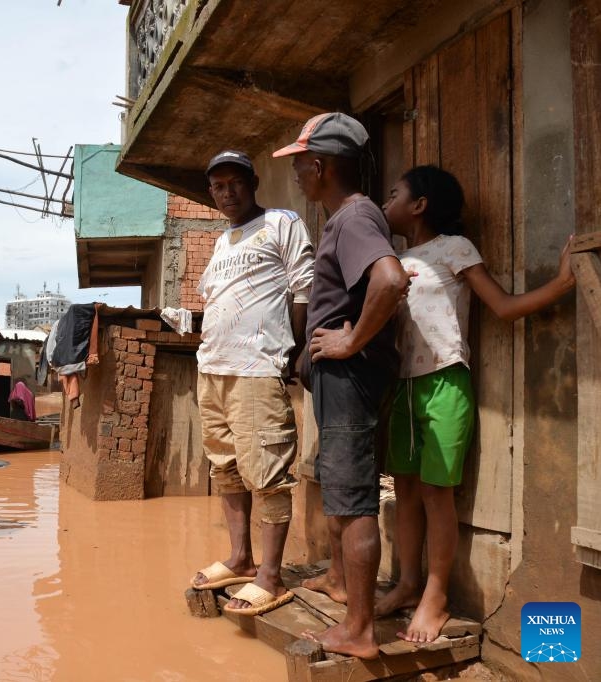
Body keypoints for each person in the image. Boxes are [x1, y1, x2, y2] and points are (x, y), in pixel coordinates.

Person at [375, 165, 575, 642]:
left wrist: (563, 283)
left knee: (434, 492)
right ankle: (408, 583)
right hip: (402, 387)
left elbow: (502, 307)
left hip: (445, 380)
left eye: (395, 193)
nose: (387, 201)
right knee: (403, 489)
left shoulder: (454, 249)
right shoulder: (394, 258)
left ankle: (437, 595)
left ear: (420, 205)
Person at [273, 112, 410, 659]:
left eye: (300, 165)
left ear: (320, 165)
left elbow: (390, 279)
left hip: (350, 375)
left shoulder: (353, 218)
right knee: (338, 487)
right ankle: (338, 581)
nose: (298, 176)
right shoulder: (346, 218)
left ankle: (358, 631)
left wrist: (351, 342)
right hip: (338, 378)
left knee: (353, 501)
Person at [189, 150, 315, 617]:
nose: (227, 193)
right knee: (225, 467)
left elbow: (304, 286)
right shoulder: (222, 244)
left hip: (258, 367)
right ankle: (241, 557)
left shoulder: (281, 222)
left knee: (267, 473)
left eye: (235, 183)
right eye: (218, 186)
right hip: (213, 368)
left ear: (254, 182)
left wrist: (297, 348)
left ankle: (272, 574)